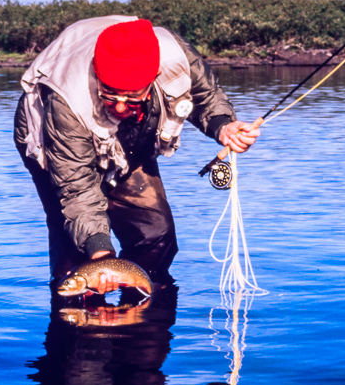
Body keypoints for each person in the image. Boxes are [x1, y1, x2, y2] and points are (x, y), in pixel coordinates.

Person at [14, 15, 259, 292]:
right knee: (77, 252)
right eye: (109, 94)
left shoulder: (176, 56)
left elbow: (205, 96)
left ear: (153, 79)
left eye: (130, 97)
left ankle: (140, 314)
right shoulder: (66, 100)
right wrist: (101, 256)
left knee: (156, 235)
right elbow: (77, 189)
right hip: (52, 145)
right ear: (97, 74)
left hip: (132, 137)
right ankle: (78, 320)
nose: (119, 108)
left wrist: (223, 126)